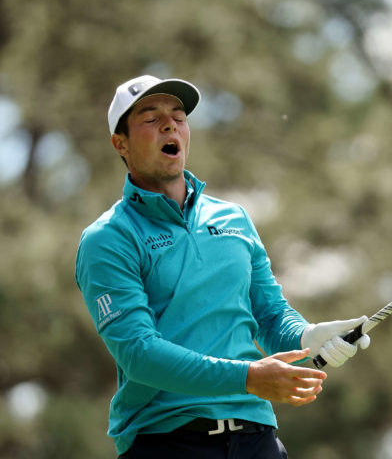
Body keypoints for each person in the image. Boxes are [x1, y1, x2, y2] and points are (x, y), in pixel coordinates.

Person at [75, 75, 371, 458]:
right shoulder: (108, 238)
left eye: (178, 116)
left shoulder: (235, 218)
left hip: (257, 439)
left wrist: (307, 336)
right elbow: (139, 353)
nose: (170, 125)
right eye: (151, 117)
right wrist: (248, 378)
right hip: (166, 441)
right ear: (121, 144)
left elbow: (270, 315)